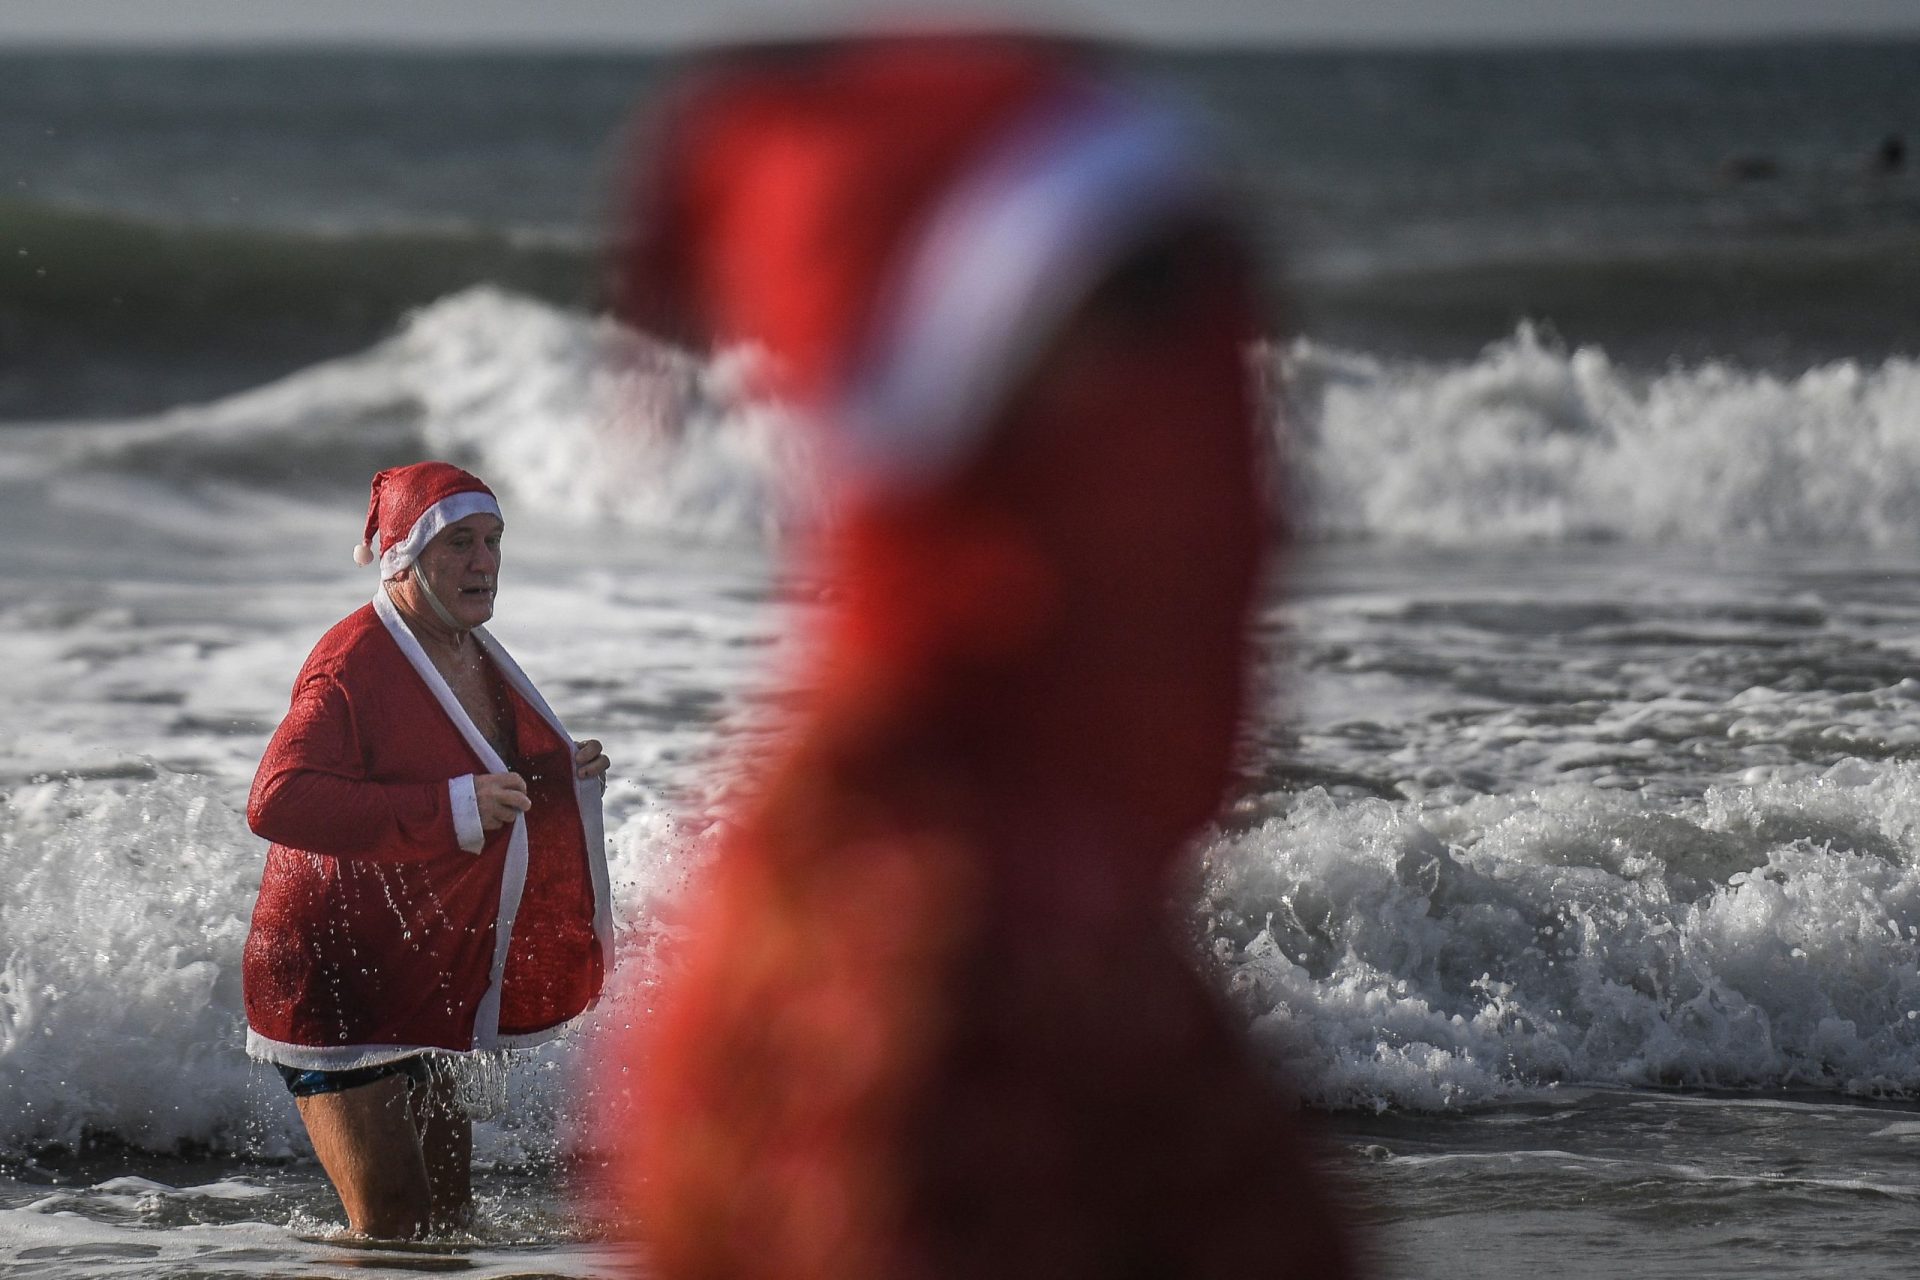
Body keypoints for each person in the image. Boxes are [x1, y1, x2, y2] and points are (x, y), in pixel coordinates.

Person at [602, 33, 1358, 1279]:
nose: (1268, 514)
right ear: (971, 462)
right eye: (1185, 419)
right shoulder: (921, 984)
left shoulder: (978, 867)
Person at [243, 461, 613, 1238]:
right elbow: (277, 799)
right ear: (402, 560)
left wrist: (552, 778)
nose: (485, 563)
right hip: (336, 975)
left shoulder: (467, 650)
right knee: (393, 1226)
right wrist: (449, 808)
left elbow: (465, 774)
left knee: (448, 1224)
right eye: (461, 545)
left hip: (426, 962)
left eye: (493, 541)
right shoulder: (352, 665)